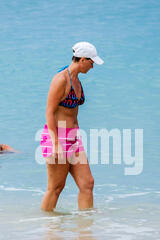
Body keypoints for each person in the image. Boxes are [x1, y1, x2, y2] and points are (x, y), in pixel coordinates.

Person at [40, 42, 104, 212]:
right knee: (55, 188)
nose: (92, 67)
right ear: (82, 59)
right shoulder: (61, 79)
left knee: (87, 184)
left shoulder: (76, 79)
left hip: (74, 139)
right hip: (57, 138)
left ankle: (85, 228)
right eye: (91, 62)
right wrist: (55, 144)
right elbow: (49, 111)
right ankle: (48, 229)